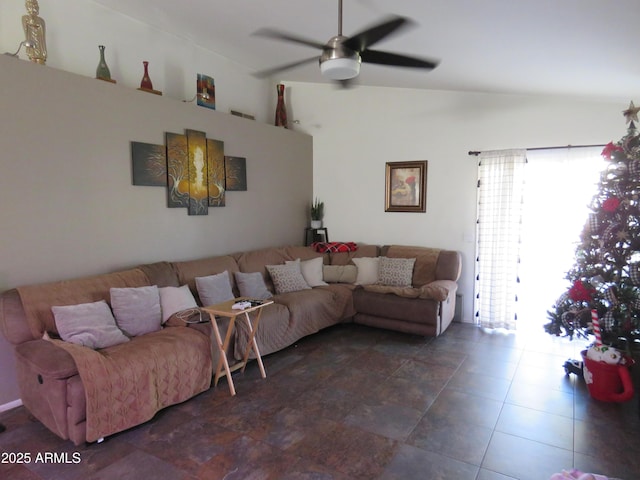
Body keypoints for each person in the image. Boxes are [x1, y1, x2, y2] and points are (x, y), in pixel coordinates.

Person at [22, 0, 47, 64]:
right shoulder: (25, 18)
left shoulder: (41, 21)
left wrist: (44, 51)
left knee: (40, 61)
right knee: (33, 62)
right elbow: (26, 32)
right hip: (31, 44)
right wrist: (28, 48)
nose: (33, 7)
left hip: (39, 45)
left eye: (35, 5)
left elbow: (42, 37)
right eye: (31, 5)